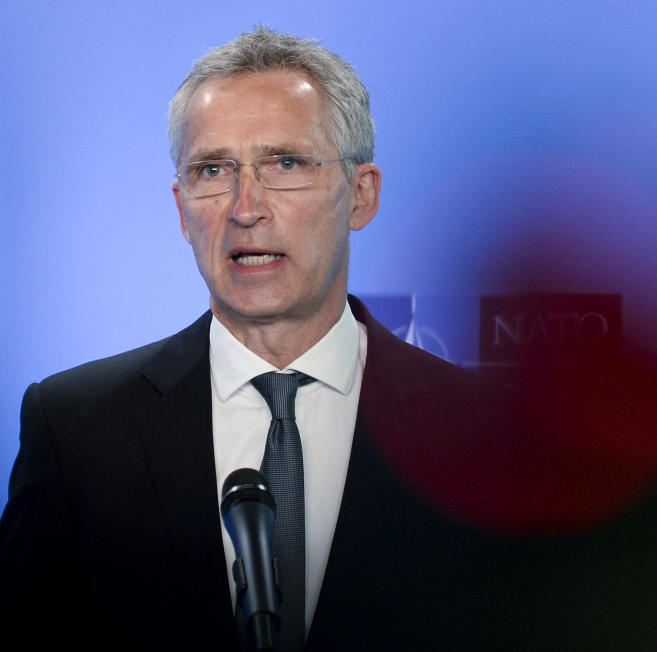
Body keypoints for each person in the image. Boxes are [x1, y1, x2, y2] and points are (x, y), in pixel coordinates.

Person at [0, 27, 523, 651]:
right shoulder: (75, 428)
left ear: (361, 193)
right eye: (213, 170)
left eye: (285, 164)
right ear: (181, 207)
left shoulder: (491, 434)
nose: (246, 207)